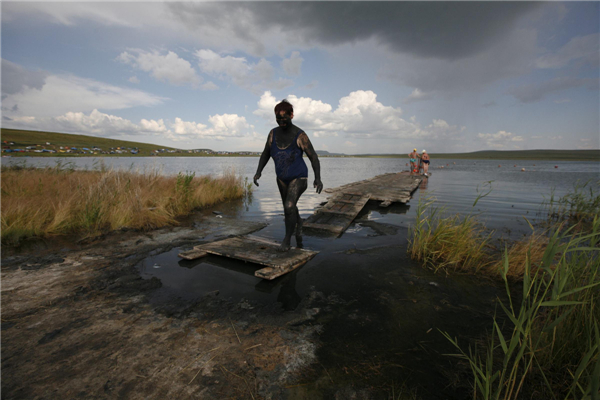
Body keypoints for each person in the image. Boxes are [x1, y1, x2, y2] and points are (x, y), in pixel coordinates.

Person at [254, 99, 323, 252]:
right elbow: (266, 153)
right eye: (278, 118)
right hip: (281, 179)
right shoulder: (273, 133)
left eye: (284, 117)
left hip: (299, 177)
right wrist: (258, 171)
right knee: (289, 207)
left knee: (289, 206)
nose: (281, 121)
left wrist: (317, 178)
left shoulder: (300, 135)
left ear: (292, 115)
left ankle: (287, 239)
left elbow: (313, 157)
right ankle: (299, 223)